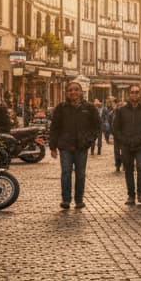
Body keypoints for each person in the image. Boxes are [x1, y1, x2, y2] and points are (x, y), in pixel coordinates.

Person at [48, 81, 100, 210]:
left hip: (82, 146)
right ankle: (66, 200)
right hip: (65, 146)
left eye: (76, 90)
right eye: (70, 90)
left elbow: (96, 126)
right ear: (67, 92)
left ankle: (79, 200)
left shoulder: (89, 108)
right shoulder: (61, 108)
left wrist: (90, 140)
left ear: (81, 92)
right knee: (66, 173)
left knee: (80, 174)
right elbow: (54, 128)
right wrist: (53, 146)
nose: (73, 92)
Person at [110, 84, 141, 205]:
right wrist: (122, 140)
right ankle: (131, 195)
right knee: (128, 170)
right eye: (132, 92)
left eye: (136, 92)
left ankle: (140, 193)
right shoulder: (121, 110)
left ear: (140, 94)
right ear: (129, 94)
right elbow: (115, 128)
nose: (134, 94)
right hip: (126, 145)